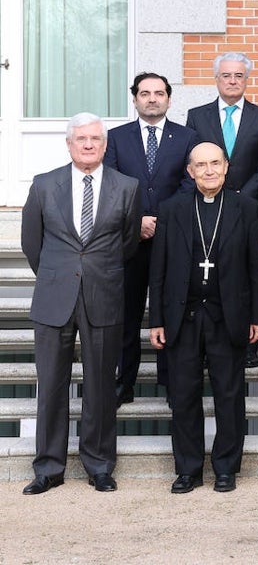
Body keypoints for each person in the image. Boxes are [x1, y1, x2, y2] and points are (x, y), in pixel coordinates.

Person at [20, 114, 141, 494]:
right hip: (55, 297)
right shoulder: (43, 185)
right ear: (69, 143)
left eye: (95, 139)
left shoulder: (127, 187)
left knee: (101, 386)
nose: (88, 145)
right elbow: (31, 243)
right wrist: (60, 273)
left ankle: (99, 465)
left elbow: (129, 242)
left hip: (103, 294)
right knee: (52, 385)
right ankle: (49, 468)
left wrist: (94, 271)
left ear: (105, 145)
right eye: (81, 139)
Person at [147, 142, 258, 494]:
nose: (209, 170)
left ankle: (226, 468)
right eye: (201, 165)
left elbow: (255, 269)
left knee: (229, 395)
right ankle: (188, 469)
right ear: (191, 171)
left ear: (226, 167)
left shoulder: (246, 208)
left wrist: (256, 315)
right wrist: (156, 319)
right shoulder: (172, 209)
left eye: (215, 163)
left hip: (227, 314)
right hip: (182, 316)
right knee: (183, 395)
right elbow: (159, 270)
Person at [104, 72, 199, 405]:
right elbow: (110, 185)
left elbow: (192, 184)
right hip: (129, 242)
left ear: (169, 99)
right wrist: (137, 220)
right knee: (126, 315)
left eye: (159, 93)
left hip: (171, 241)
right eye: (145, 93)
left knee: (171, 311)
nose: (152, 98)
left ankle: (170, 381)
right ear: (134, 99)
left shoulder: (188, 138)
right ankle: (123, 381)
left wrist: (162, 221)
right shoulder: (115, 138)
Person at [185, 51, 258, 368]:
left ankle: (248, 345)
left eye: (239, 75)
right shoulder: (197, 116)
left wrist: (239, 195)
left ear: (247, 79)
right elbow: (195, 159)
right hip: (208, 208)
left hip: (248, 209)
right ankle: (209, 341)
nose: (232, 80)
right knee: (211, 273)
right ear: (217, 79)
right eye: (226, 75)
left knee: (247, 272)